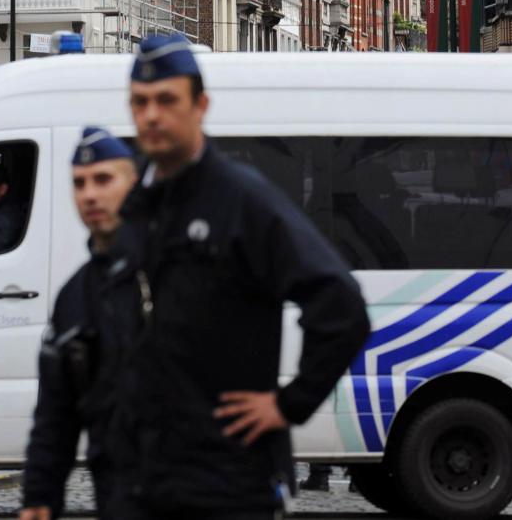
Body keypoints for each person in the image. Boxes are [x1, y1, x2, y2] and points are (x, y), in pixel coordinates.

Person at [109, 32, 372, 520]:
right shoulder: (137, 205)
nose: (151, 115)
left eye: (166, 100)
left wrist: (288, 405)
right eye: (140, 102)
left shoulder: (242, 199)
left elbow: (341, 305)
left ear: (200, 105)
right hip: (144, 476)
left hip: (227, 479)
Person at [20, 126, 138, 520]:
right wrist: (39, 496)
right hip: (117, 490)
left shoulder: (174, 268)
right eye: (79, 183)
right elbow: (55, 414)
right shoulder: (75, 296)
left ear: (133, 184)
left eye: (103, 180)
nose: (90, 194)